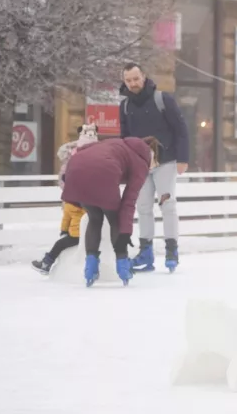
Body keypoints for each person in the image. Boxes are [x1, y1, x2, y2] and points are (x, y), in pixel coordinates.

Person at [119, 63, 190, 273]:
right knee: (143, 208)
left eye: (136, 79)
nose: (133, 83)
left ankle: (171, 251)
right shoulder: (124, 106)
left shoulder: (163, 100)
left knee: (167, 205)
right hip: (139, 165)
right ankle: (146, 253)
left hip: (165, 162)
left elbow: (181, 129)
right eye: (128, 80)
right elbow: (124, 138)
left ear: (144, 76)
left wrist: (182, 158)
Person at [61, 136, 161, 287]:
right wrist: (125, 232)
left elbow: (84, 149)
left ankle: (90, 267)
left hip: (77, 169)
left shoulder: (118, 143)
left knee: (95, 217)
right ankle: (122, 266)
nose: (154, 167)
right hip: (103, 171)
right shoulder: (141, 163)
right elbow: (128, 203)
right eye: (156, 163)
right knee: (115, 219)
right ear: (152, 154)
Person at [31, 124, 98, 274]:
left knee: (61, 244)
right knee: (61, 244)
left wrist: (68, 232)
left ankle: (46, 263)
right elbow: (67, 216)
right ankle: (47, 263)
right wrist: (63, 230)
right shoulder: (71, 199)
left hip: (79, 233)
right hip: (76, 230)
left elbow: (78, 217)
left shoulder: (77, 200)